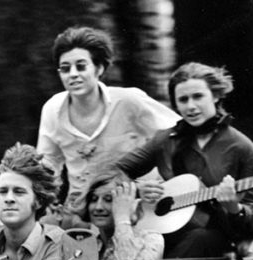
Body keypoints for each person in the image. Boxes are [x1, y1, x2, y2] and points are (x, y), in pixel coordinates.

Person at [115, 62, 253, 258]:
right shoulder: (165, 140)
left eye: (198, 97)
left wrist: (234, 208)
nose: (191, 106)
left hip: (218, 239)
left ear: (216, 95)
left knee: (200, 237)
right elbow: (117, 170)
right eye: (183, 100)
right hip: (163, 228)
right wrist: (136, 189)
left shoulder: (241, 147)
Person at [36, 26, 179, 220]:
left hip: (136, 205)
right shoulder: (52, 109)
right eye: (65, 68)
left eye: (81, 66)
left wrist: (168, 179)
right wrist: (47, 199)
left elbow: (176, 132)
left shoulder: (129, 100)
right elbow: (48, 163)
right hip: (82, 211)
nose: (73, 74)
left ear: (99, 68)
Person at [0, 143, 81, 260]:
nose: (9, 199)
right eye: (3, 191)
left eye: (19, 192)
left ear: (38, 201)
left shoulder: (59, 244)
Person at [70, 169, 163, 260]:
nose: (98, 207)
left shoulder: (151, 240)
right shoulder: (85, 248)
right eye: (93, 200)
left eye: (109, 199)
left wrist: (122, 217)